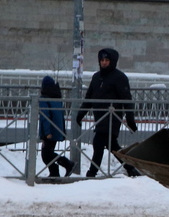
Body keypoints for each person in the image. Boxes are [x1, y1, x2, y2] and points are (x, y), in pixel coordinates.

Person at [75, 48, 139, 177]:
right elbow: (89, 97)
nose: (104, 63)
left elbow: (127, 99)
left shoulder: (119, 77)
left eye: (107, 60)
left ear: (113, 61)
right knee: (112, 145)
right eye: (102, 60)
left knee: (98, 143)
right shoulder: (96, 77)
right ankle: (130, 167)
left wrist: (130, 118)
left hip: (112, 117)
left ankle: (91, 173)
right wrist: (81, 113)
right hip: (99, 117)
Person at [39, 76, 74, 178]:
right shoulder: (56, 97)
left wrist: (46, 132)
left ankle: (66, 165)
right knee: (48, 153)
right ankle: (54, 173)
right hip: (56, 129)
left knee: (46, 155)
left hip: (49, 131)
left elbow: (45, 116)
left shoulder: (44, 99)